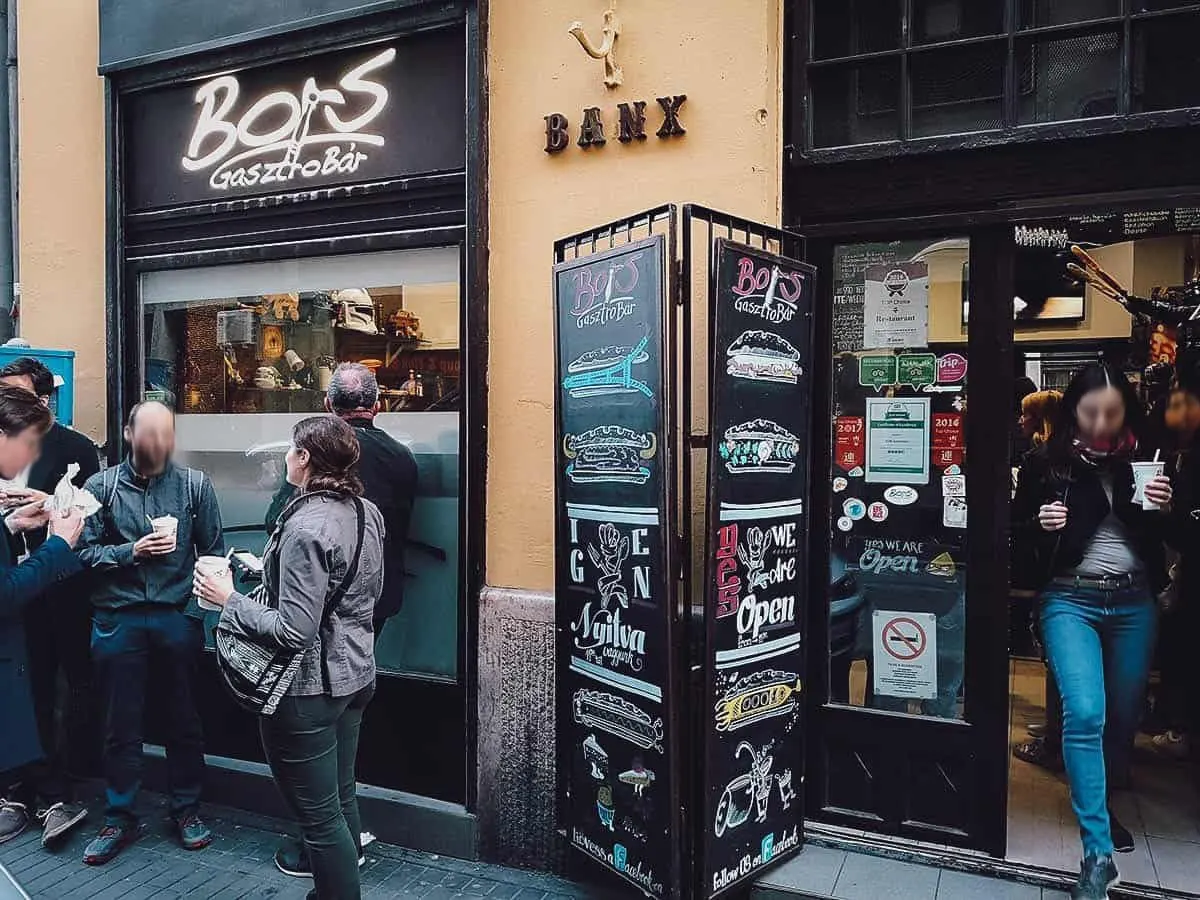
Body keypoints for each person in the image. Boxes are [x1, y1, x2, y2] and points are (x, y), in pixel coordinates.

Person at [195, 416, 385, 900]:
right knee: (341, 795)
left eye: (291, 449)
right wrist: (272, 575)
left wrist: (227, 600)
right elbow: (354, 591)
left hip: (308, 690)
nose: (285, 457)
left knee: (320, 821)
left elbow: (295, 630)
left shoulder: (304, 526)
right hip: (357, 673)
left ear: (304, 458)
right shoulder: (366, 511)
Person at [1013, 363, 1172, 900]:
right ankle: (1097, 853)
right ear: (1072, 412)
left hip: (1134, 602)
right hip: (1069, 600)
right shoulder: (1046, 463)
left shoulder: (1147, 461)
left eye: (1112, 412)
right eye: (1090, 412)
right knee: (1085, 712)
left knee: (1123, 718)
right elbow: (1013, 532)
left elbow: (1172, 536)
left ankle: (1104, 803)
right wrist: (1040, 524)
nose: (1102, 423)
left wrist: (1168, 510)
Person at [265, 364, 417, 879]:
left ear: (329, 406)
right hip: (369, 613)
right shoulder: (399, 464)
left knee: (315, 755)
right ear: (378, 404)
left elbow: (295, 622)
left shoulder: (309, 511)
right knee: (344, 747)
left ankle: (320, 846)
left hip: (315, 638)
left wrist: (231, 600)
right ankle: (343, 844)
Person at [77, 401, 224, 865]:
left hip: (174, 617)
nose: (159, 442)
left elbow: (212, 555)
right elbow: (80, 555)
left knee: (183, 720)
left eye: (166, 433)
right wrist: (131, 552)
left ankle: (187, 810)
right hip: (117, 619)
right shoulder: (100, 487)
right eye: (149, 433)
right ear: (128, 433)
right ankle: (119, 816)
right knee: (120, 725)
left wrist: (193, 618)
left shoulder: (194, 486)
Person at [0, 358, 100, 844]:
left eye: (16, 396)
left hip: (54, 592)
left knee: (53, 690)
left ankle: (53, 793)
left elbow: (92, 516)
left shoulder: (76, 447)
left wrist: (43, 509)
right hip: (15, 592)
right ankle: (17, 791)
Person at [267, 362, 416, 635]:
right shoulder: (403, 456)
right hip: (378, 591)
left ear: (327, 404)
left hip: (320, 590)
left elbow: (277, 521)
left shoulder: (316, 453)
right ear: (377, 406)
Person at [1012, 389, 1065, 771]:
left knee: (1054, 650)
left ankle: (1055, 736)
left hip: (1046, 564)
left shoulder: (1039, 459)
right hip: (1059, 563)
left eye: (1025, 414)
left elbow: (1021, 516)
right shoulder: (1066, 456)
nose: (1020, 420)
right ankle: (1055, 728)